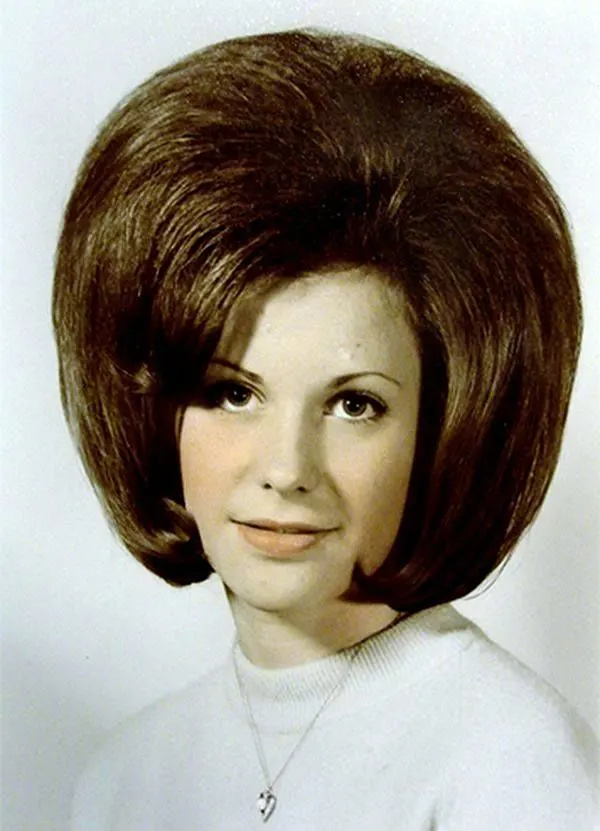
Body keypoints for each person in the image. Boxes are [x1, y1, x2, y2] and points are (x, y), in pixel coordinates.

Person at [53, 28, 598, 830]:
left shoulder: (510, 757)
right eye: (234, 393)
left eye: (354, 405)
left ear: (442, 430)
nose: (286, 467)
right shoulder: (121, 779)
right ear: (153, 408)